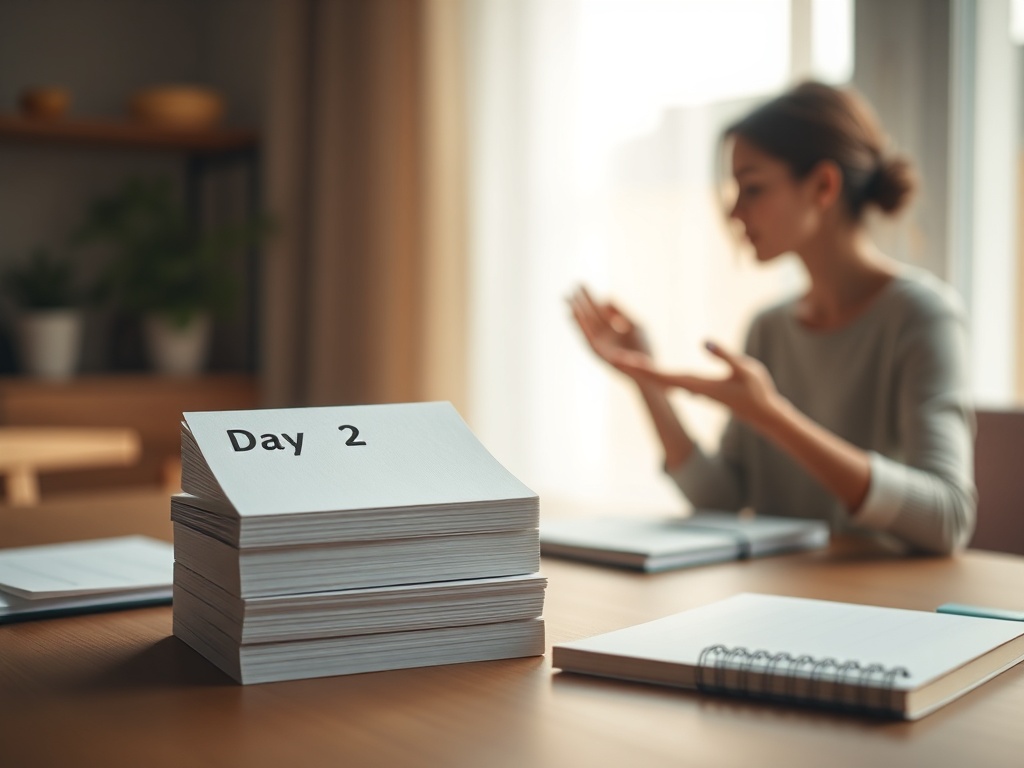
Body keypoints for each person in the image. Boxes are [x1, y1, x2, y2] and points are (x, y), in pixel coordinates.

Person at [569, 81, 975, 555]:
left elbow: (948, 519)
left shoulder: (923, 317)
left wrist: (773, 417)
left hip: (883, 595)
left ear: (823, 186)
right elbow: (721, 500)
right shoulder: (770, 327)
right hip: (777, 590)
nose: (734, 211)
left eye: (753, 188)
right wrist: (646, 378)